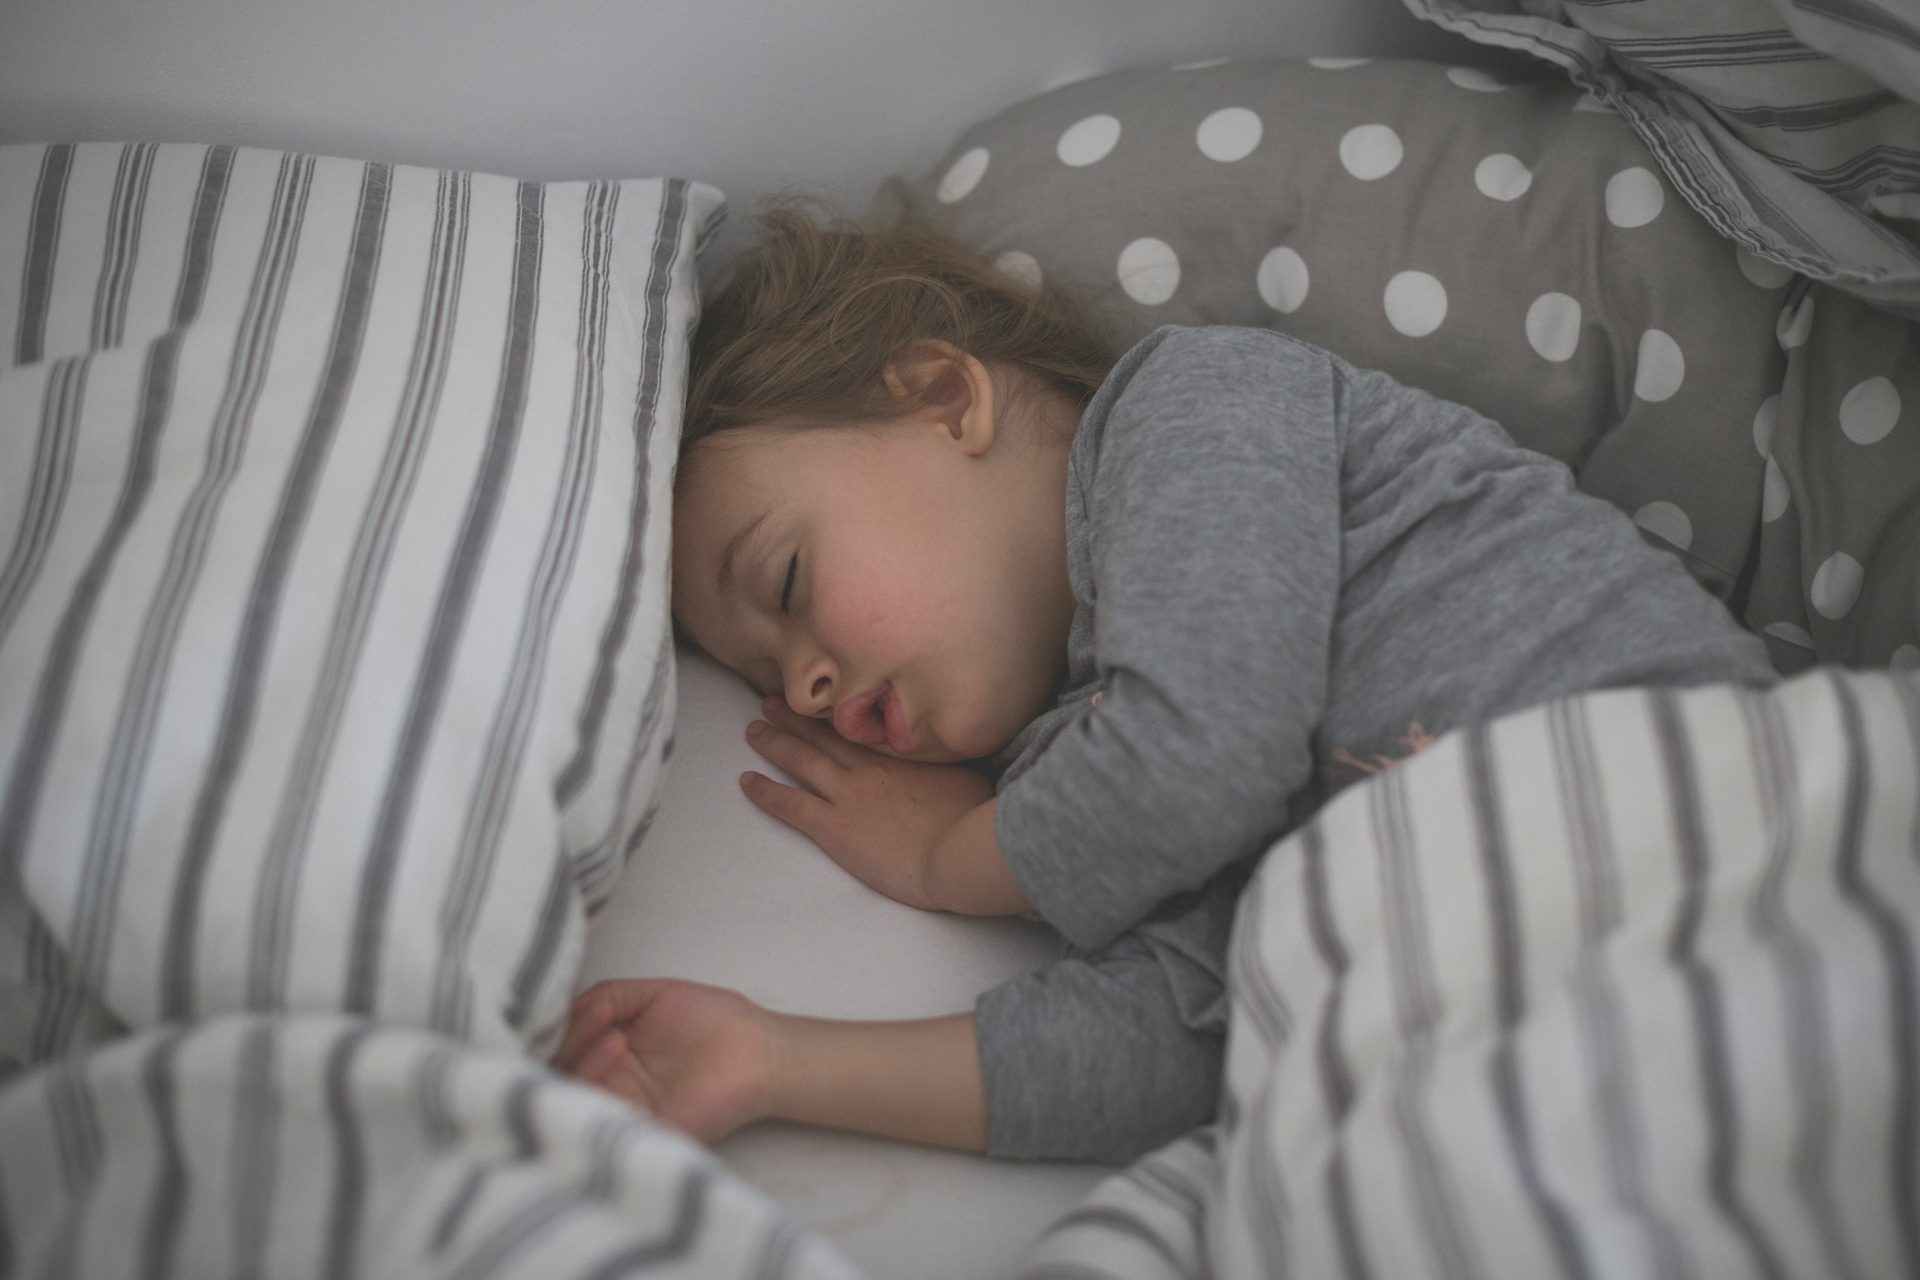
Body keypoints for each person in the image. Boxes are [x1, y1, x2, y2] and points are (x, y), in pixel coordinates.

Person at [550, 192, 1779, 1163]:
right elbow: (1199, 1041)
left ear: (940, 398)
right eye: (761, 671)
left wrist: (953, 859)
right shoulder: (1058, 762)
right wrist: (778, 1059)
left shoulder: (1193, 404)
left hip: (1723, 829)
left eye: (786, 583)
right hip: (1563, 1017)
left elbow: (1203, 753)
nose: (803, 688)